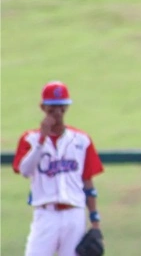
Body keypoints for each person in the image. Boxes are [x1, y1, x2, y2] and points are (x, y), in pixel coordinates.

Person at [12, 81, 105, 256]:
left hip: (74, 214)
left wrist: (95, 221)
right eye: (52, 108)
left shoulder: (81, 140)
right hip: (45, 214)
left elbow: (88, 182)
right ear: (43, 107)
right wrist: (41, 141)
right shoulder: (29, 139)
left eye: (61, 107)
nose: (57, 112)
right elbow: (24, 170)